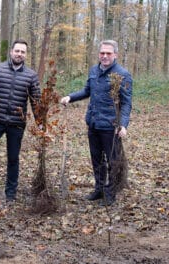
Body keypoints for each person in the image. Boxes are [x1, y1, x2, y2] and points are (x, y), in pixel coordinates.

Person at [60, 39, 132, 206]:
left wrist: (123, 124)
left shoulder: (122, 74)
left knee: (113, 161)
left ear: (115, 55)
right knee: (96, 159)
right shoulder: (94, 70)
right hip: (93, 123)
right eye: (102, 53)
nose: (105, 56)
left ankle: (110, 193)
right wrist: (70, 97)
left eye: (108, 53)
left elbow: (127, 102)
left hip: (111, 126)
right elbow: (87, 91)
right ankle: (99, 189)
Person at [0, 39, 41, 203]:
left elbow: (36, 101)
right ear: (11, 52)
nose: (19, 54)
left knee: (13, 158)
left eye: (23, 52)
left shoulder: (31, 75)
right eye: (17, 51)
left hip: (17, 124)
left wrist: (41, 122)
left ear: (25, 55)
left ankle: (10, 193)